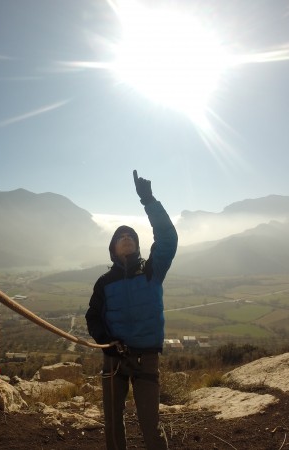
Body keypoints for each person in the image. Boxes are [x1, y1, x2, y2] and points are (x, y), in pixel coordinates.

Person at [85, 170, 178, 450]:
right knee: (113, 425)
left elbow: (168, 239)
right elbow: (92, 316)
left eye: (130, 235)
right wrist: (106, 343)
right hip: (114, 360)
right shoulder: (104, 282)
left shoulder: (152, 270)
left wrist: (148, 201)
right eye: (120, 236)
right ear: (112, 248)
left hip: (146, 358)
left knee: (150, 424)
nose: (126, 237)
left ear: (137, 245)